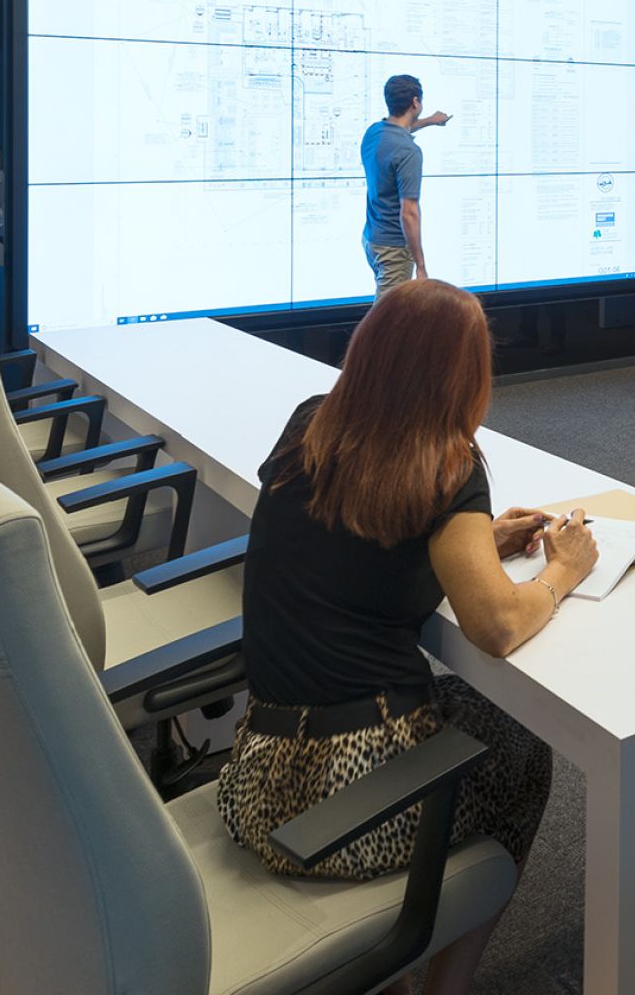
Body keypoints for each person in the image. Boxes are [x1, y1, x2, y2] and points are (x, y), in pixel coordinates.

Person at [217, 277, 596, 995]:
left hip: (254, 780)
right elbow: (498, 624)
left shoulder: (311, 422)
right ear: (465, 376)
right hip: (345, 807)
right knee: (521, 748)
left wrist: (476, 539)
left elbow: (356, 532)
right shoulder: (449, 463)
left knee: (466, 709)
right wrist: (562, 572)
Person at [362, 73, 451, 296]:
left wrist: (430, 120)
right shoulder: (408, 152)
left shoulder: (374, 132)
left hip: (372, 239)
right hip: (394, 249)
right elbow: (409, 213)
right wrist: (420, 265)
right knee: (387, 319)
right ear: (415, 102)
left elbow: (400, 130)